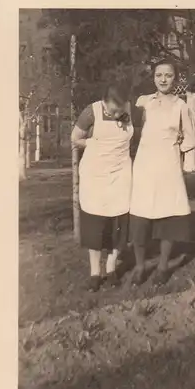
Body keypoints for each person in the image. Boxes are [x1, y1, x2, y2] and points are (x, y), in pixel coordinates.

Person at [129, 59, 195, 288]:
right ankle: (139, 267)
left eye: (168, 75)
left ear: (175, 78)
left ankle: (163, 267)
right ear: (153, 78)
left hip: (168, 166)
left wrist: (183, 158)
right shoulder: (143, 102)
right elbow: (132, 128)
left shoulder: (181, 106)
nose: (163, 79)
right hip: (145, 165)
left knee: (168, 215)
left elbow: (189, 137)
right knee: (140, 215)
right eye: (159, 75)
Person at [71, 83, 134, 292]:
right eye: (112, 110)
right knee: (95, 224)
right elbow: (75, 138)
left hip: (120, 174)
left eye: (120, 110)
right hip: (96, 176)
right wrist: (93, 143)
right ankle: (95, 273)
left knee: (118, 222)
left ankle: (111, 267)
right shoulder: (91, 112)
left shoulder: (129, 110)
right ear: (103, 103)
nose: (117, 114)